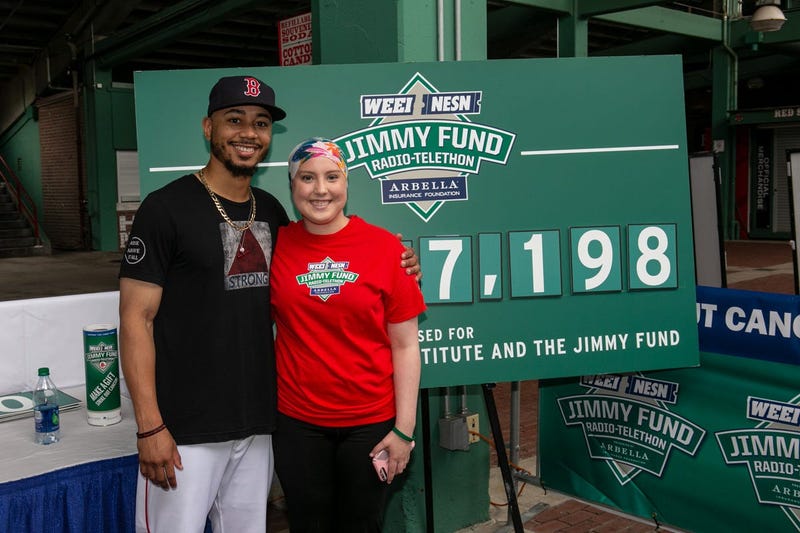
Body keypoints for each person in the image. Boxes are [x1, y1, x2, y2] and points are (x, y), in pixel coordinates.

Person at [119, 77, 418, 533]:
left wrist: (397, 257)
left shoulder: (274, 213)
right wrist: (149, 426)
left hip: (260, 423)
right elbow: (134, 320)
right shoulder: (165, 209)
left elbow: (333, 254)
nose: (248, 132)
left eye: (260, 123)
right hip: (185, 430)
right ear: (208, 127)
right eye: (234, 120)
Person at [270, 138, 426, 532]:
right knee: (308, 524)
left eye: (331, 177)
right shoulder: (275, 245)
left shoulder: (387, 248)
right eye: (307, 178)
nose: (320, 190)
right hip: (297, 423)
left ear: (346, 184)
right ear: (292, 187)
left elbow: (406, 346)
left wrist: (404, 431)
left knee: (361, 524)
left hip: (370, 424)